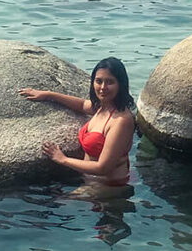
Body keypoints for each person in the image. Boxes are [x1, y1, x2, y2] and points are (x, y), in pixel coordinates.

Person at [19, 57, 135, 186]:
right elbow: (81, 104)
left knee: (52, 204)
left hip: (109, 186)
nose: (103, 87)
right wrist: (48, 95)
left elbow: (103, 168)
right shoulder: (102, 107)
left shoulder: (121, 121)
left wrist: (62, 159)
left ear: (121, 84)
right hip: (92, 180)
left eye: (110, 82)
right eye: (98, 81)